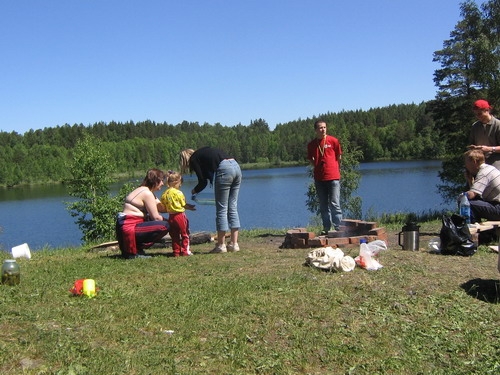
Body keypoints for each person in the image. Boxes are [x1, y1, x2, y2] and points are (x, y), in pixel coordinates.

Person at [180, 147, 242, 253]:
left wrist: (194, 191)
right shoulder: (203, 153)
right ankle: (234, 244)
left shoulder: (194, 159)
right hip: (236, 166)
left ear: (185, 159)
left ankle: (221, 246)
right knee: (232, 207)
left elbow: (203, 182)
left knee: (221, 209)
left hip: (224, 169)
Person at [115, 169, 169, 259]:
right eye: (161, 181)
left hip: (126, 225)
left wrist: (179, 206)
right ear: (155, 181)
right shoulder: (147, 193)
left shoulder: (145, 190)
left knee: (158, 222)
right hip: (129, 226)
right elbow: (156, 218)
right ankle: (136, 250)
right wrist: (172, 223)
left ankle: (137, 249)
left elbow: (161, 208)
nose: (163, 184)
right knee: (164, 226)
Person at [307, 119, 343, 234]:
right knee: (323, 205)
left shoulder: (333, 141)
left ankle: (338, 228)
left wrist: (335, 168)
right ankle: (326, 229)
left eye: (324, 127)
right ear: (316, 130)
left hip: (333, 177)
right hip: (319, 178)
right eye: (320, 128)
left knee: (334, 203)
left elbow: (339, 157)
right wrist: (317, 166)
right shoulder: (312, 144)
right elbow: (310, 159)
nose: (323, 129)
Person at [160, 171, 196, 257]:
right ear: (176, 182)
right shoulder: (178, 193)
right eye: (180, 183)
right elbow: (183, 205)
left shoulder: (165, 194)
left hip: (171, 217)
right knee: (185, 234)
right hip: (180, 215)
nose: (180, 185)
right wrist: (190, 207)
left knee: (174, 235)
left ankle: (176, 251)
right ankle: (185, 251)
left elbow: (163, 205)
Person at [462, 149, 500, 223]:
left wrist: (460, 197)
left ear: (474, 162)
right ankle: (484, 233)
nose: (465, 165)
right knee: (472, 202)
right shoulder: (489, 168)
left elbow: (470, 196)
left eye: (466, 162)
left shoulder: (483, 173)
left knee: (468, 203)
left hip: (498, 208)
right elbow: (477, 196)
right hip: (497, 205)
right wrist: (470, 181)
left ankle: (474, 231)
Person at [468, 99, 500, 169]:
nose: (478, 116)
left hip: (496, 163)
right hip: (479, 163)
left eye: (480, 114)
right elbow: (471, 145)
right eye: (476, 114)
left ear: (487, 110)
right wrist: (473, 148)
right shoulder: (475, 126)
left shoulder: (498, 125)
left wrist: (489, 149)